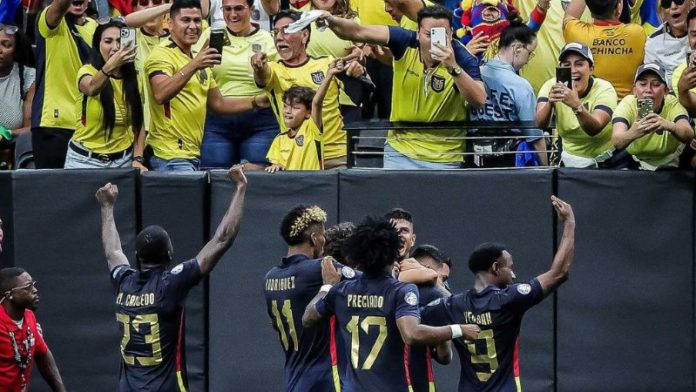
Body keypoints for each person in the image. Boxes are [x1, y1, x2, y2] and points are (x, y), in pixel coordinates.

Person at [95, 165, 247, 391]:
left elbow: (113, 251)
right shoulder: (170, 284)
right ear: (169, 255)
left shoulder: (124, 282)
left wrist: (107, 207)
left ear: (137, 256)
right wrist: (240, 188)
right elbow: (222, 239)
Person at [302, 216, 480, 391]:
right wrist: (459, 329)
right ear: (393, 252)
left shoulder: (341, 291)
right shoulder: (401, 291)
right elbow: (412, 334)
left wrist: (326, 286)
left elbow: (307, 318)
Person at [420, 196, 575, 392]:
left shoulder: (452, 305)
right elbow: (560, 272)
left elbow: (412, 324)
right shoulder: (508, 299)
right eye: (509, 267)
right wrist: (569, 222)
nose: (513, 274)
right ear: (495, 267)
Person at [318, 5, 486, 169]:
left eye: (442, 34)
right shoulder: (405, 41)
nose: (436, 40)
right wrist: (331, 21)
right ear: (418, 33)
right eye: (429, 34)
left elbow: (479, 100)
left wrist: (453, 68)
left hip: (444, 156)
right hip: (399, 151)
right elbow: (358, 31)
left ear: (451, 33)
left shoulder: (463, 58)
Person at [145, 0, 268, 171]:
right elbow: (160, 93)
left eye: (197, 20)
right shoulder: (161, 54)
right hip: (169, 155)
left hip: (193, 154)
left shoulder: (199, 58)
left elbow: (218, 104)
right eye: (186, 20)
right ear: (170, 23)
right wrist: (194, 65)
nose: (193, 26)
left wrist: (257, 101)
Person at [264, 205, 358, 391]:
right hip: (325, 380)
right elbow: (371, 280)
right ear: (314, 239)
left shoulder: (270, 277)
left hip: (294, 380)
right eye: (323, 235)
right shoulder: (321, 267)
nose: (325, 241)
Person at [251, 9, 348, 169]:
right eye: (275, 32)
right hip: (299, 157)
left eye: (287, 30)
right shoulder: (273, 70)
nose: (279, 37)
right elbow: (262, 77)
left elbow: (360, 90)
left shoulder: (327, 63)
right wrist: (258, 67)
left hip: (336, 155)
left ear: (304, 36)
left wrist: (358, 68)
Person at [194, 0, 279, 170]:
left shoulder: (267, 38)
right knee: (214, 174)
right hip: (218, 115)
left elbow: (276, 79)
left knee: (257, 175)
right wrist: (203, 57)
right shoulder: (210, 35)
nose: (233, 15)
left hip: (260, 118)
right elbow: (195, 71)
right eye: (228, 9)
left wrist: (261, 70)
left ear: (252, 10)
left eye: (239, 8)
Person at [64, 18, 147, 170]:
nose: (115, 47)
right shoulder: (87, 71)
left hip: (123, 160)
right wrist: (110, 66)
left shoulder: (136, 78)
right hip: (84, 160)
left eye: (120, 41)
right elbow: (91, 88)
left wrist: (138, 158)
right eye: (108, 41)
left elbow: (139, 123)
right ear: (98, 45)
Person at [467, 18, 546, 167]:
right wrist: (546, 171)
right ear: (517, 49)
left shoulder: (472, 76)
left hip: (473, 161)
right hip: (510, 164)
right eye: (530, 53)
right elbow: (535, 137)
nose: (528, 60)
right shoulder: (521, 86)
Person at [31, 0, 97, 168]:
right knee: (51, 191)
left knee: (82, 193)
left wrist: (171, 7)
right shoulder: (50, 19)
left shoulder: (94, 27)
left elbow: (128, 22)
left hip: (86, 127)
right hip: (53, 126)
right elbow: (59, 7)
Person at [535, 42, 619, 168]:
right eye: (566, 65)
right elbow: (539, 124)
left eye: (579, 64)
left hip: (607, 161)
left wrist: (576, 105)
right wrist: (550, 103)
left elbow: (594, 129)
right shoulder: (550, 86)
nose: (573, 70)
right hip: (570, 159)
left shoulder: (605, 89)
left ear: (591, 69)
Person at [265, 59, 344, 172]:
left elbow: (317, 102)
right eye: (286, 106)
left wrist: (330, 74)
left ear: (308, 113)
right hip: (291, 187)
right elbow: (276, 163)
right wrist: (275, 166)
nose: (288, 111)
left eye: (295, 108)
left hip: (312, 185)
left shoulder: (312, 129)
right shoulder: (279, 140)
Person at [612, 63, 694, 170]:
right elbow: (617, 142)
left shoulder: (672, 103)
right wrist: (633, 132)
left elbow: (688, 134)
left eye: (655, 84)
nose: (648, 89)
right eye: (642, 84)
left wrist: (669, 126)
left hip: (671, 159)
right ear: (635, 91)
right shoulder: (627, 104)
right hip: (637, 159)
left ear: (666, 91)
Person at [0, 267, 66, 392]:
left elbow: (43, 356)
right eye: (27, 287)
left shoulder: (29, 317)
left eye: (33, 285)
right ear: (9, 295)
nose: (34, 290)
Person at [563, 0, 646, 98]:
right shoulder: (637, 33)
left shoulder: (576, 32)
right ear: (619, 7)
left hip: (590, 108)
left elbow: (570, 15)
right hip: (626, 109)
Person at [0, 24, 35, 154]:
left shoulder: (28, 78)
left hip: (13, 149)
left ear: (16, 51)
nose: (0, 50)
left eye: (6, 45)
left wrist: (8, 133)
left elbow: (30, 129)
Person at [644, 0, 692, 91]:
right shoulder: (653, 43)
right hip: (671, 96)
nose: (673, 6)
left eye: (679, 1)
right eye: (666, 4)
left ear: (692, 3)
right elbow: (653, 81)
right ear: (662, 12)